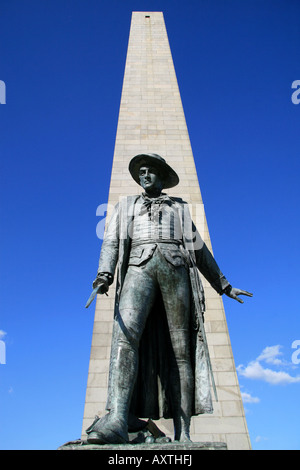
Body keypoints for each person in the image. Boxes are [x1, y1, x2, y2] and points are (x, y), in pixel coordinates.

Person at [86, 153, 252, 444]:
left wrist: (224, 285)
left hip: (175, 270)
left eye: (150, 171)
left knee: (181, 350)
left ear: (162, 176)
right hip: (138, 267)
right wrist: (104, 274)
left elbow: (199, 249)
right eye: (141, 172)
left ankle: (184, 432)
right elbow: (111, 240)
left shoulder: (180, 207)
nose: (144, 176)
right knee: (125, 338)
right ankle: (117, 418)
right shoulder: (126, 206)